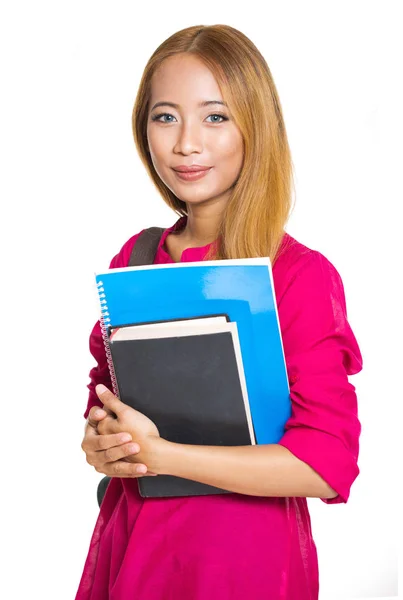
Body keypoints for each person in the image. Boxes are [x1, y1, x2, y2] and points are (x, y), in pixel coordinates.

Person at [76, 24, 362, 600]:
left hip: (242, 560)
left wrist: (164, 455)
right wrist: (101, 442)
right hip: (132, 544)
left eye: (214, 116)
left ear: (254, 126)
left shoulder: (299, 276)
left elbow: (325, 464)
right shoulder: (135, 259)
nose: (186, 144)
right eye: (165, 117)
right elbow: (105, 403)